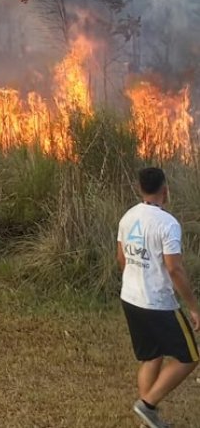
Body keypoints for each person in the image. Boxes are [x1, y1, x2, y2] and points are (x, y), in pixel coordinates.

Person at [117, 167, 200, 428]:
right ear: (166, 190)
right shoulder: (167, 224)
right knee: (189, 358)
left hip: (130, 298)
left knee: (151, 357)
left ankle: (147, 420)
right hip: (158, 303)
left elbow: (122, 259)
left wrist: (135, 281)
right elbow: (174, 268)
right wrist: (194, 307)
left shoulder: (128, 217)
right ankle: (147, 404)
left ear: (139, 188)